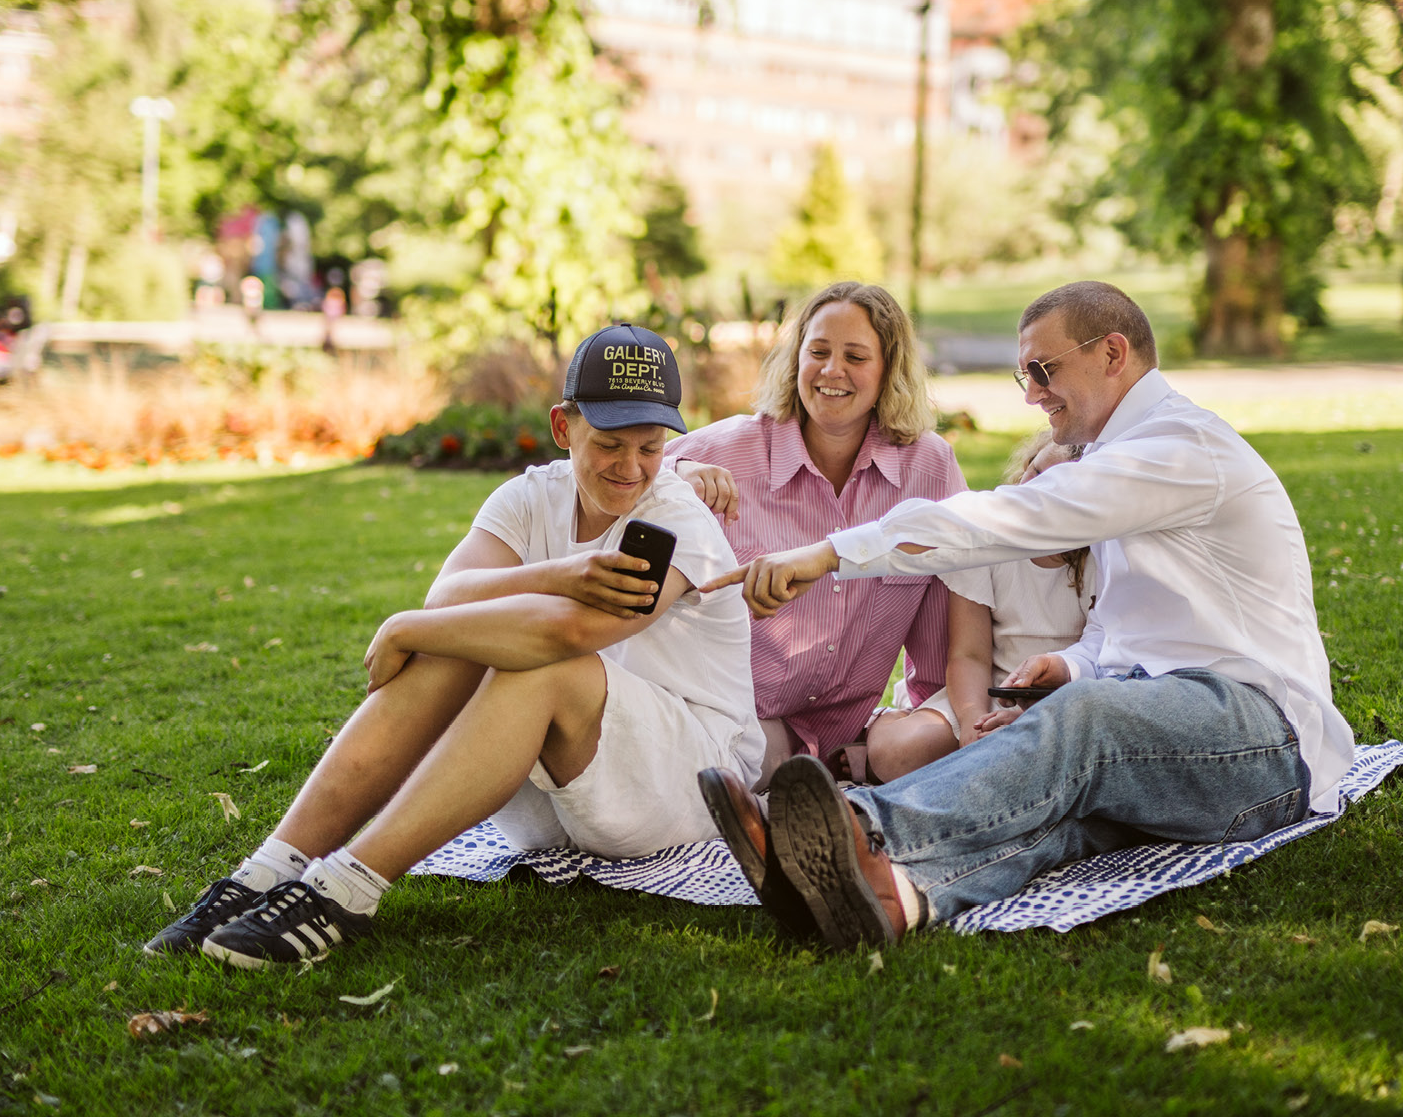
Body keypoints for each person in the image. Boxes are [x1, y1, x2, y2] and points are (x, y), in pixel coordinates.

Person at [696, 281, 1357, 950]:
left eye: (1044, 370)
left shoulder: (1179, 449)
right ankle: (893, 895)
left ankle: (855, 832)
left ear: (1113, 354)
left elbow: (1014, 516)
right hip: (1180, 741)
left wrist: (830, 554)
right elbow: (1128, 627)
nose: (1031, 394)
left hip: (1262, 742)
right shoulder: (1116, 457)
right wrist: (1072, 667)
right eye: (1025, 374)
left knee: (1086, 721)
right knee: (1046, 817)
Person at [144, 323, 760, 967]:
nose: (630, 467)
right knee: (460, 647)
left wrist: (404, 628)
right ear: (562, 427)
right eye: (609, 444)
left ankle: (345, 890)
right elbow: (450, 596)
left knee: (537, 665)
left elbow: (571, 633)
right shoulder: (529, 497)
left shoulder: (677, 519)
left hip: (689, 781)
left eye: (651, 447)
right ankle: (266, 872)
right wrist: (553, 573)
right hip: (557, 794)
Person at [665, 281, 963, 787]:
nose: (832, 371)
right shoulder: (732, 449)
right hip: (738, 717)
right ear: (796, 358)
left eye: (855, 356)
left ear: (888, 369)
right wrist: (679, 476)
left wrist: (923, 721)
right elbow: (625, 475)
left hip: (846, 735)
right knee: (732, 774)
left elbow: (951, 595)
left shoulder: (929, 468)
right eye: (818, 351)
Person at [863, 432, 1092, 780]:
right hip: (986, 690)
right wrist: (972, 722)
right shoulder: (987, 542)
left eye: (1052, 486)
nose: (1032, 488)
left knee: (1039, 761)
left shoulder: (1103, 557)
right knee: (899, 752)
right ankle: (889, 721)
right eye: (1034, 470)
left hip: (1067, 699)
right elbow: (969, 654)